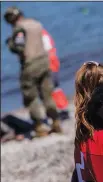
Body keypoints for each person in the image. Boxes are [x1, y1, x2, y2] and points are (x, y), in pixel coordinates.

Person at [4, 6, 62, 137]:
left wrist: (10, 44)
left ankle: (40, 126)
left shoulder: (19, 28)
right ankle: (55, 121)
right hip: (44, 61)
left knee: (31, 96)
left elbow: (19, 47)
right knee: (47, 93)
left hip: (30, 64)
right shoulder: (36, 24)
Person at [41, 28, 70, 119]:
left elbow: (46, 49)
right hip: (52, 63)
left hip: (49, 64)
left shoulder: (41, 35)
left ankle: (62, 110)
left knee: (52, 88)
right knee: (55, 88)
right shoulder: (43, 33)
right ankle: (62, 109)